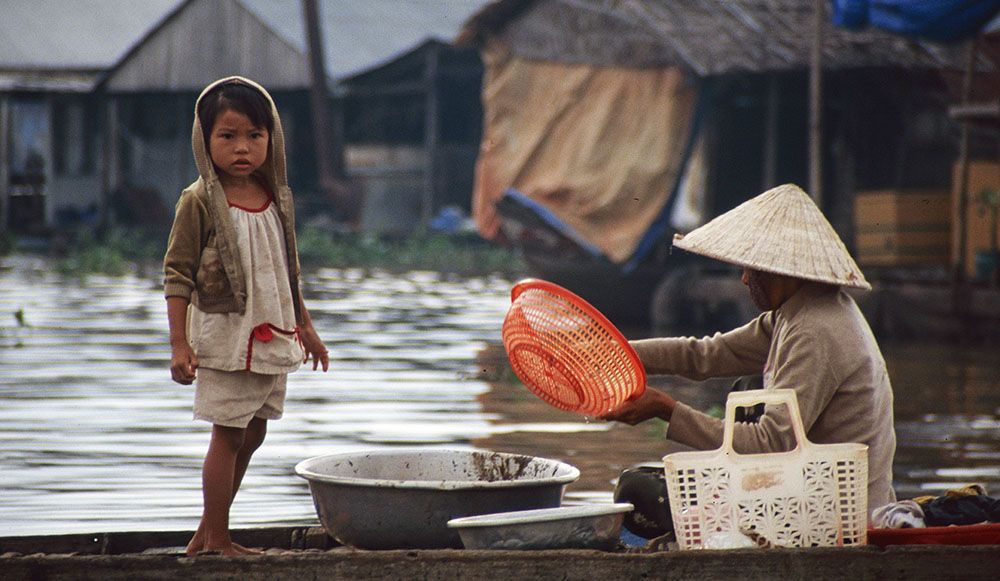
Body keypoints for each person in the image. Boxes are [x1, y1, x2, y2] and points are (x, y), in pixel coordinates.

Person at [601, 183, 897, 524]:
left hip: (835, 514)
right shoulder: (795, 313)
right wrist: (616, 353)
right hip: (808, 491)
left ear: (777, 269)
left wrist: (665, 409)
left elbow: (771, 442)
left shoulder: (816, 330)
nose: (743, 280)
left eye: (749, 269)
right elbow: (705, 355)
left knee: (640, 491)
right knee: (644, 480)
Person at [163, 76, 329, 556]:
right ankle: (218, 537)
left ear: (271, 138)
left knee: (253, 430)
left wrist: (308, 330)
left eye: (255, 136)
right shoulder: (198, 201)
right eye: (228, 136)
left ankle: (206, 532)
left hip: (273, 331)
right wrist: (179, 344)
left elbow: (287, 271)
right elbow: (177, 275)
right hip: (226, 334)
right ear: (204, 140)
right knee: (229, 431)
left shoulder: (276, 195)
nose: (243, 148)